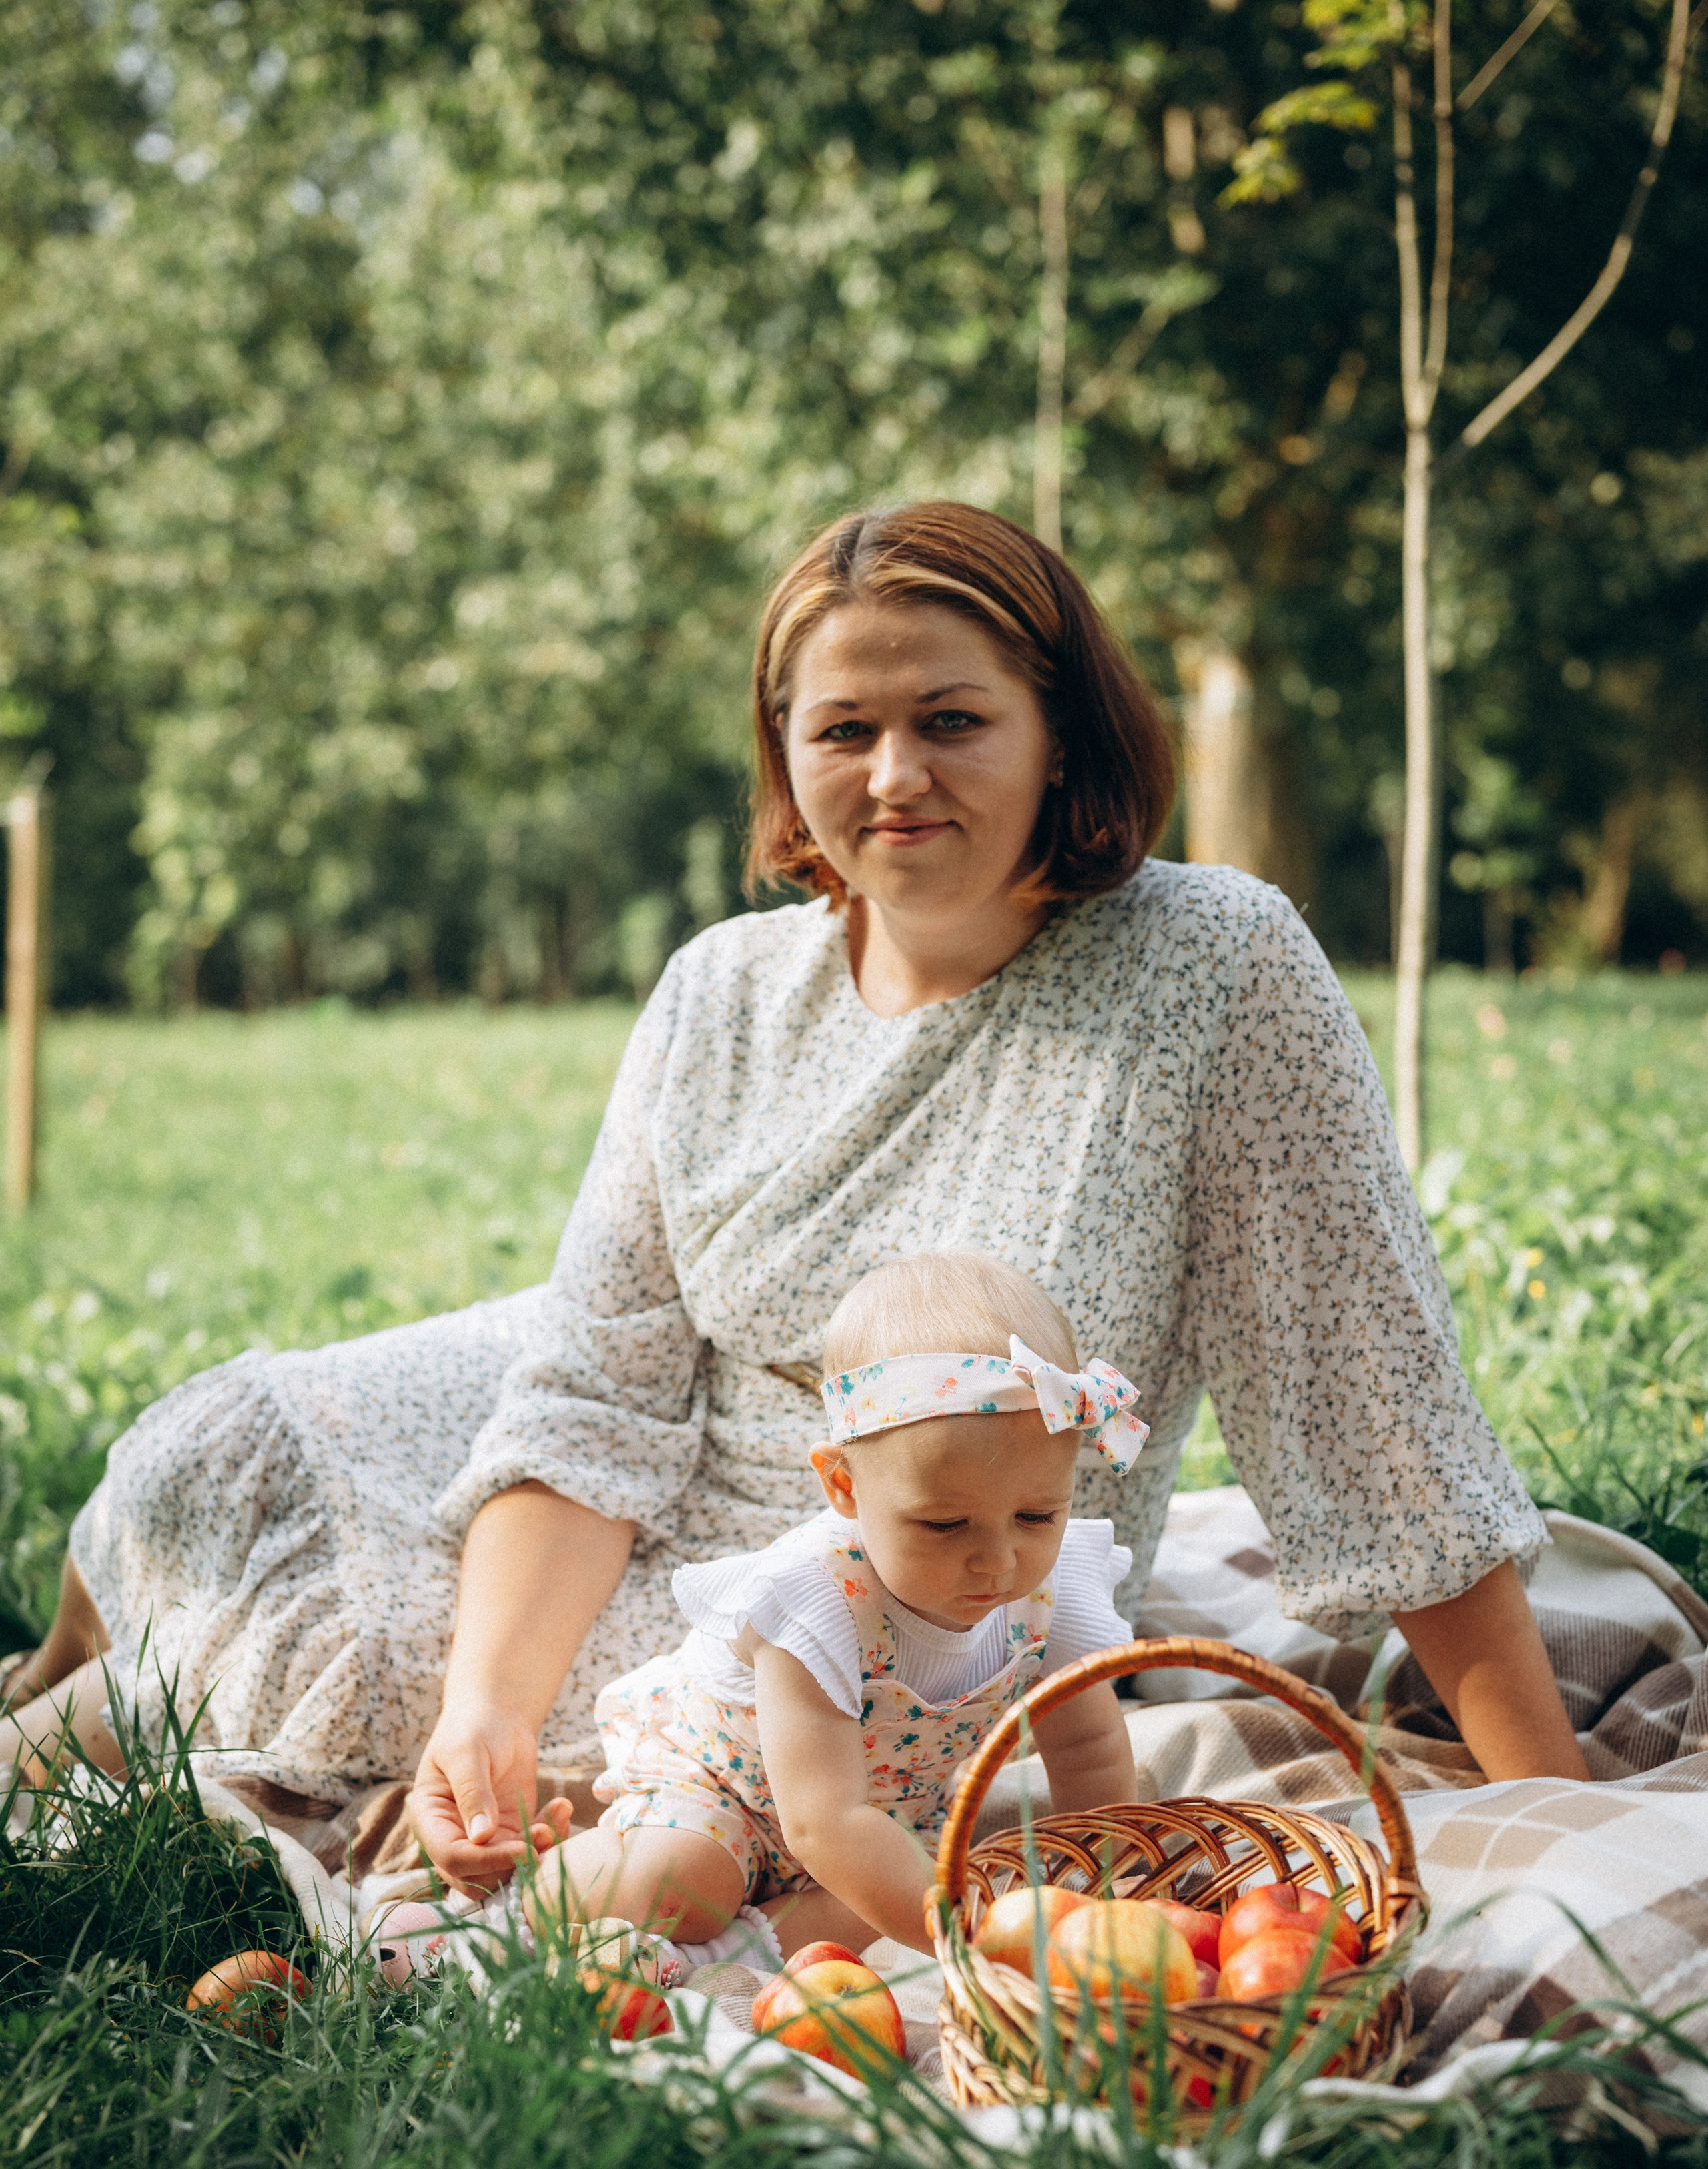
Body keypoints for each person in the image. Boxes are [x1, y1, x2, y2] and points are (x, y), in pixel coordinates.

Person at [0, 501, 1587, 1882]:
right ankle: (50, 1671)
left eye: (950, 720)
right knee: (234, 1445)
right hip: (599, 1434)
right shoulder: (720, 989)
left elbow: (1367, 1410)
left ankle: (87, 1708)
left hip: (859, 1576)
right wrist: (490, 1692)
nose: (891, 774)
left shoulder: (1217, 967)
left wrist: (1553, 1809)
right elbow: (589, 1396)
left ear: (1061, 729)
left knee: (342, 1678)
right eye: (840, 729)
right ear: (785, 751)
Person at [527, 1252, 1142, 1962]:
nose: (998, 1560)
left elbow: (1088, 1748)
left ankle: (711, 1965)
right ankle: (526, 1904)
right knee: (687, 1883)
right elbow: (823, 1822)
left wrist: (1111, 1899)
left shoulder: (1054, 1583)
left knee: (909, 1889)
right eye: (944, 1525)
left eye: (1037, 1515)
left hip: (879, 1816)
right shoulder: (816, 1593)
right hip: (728, 1791)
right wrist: (971, 1949)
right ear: (844, 1486)